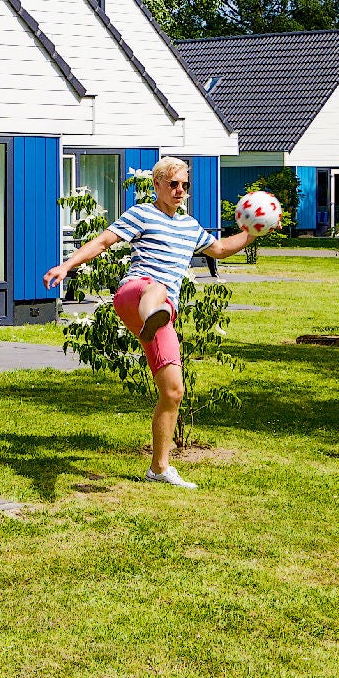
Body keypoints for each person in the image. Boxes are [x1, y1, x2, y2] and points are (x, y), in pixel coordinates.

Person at [43, 157, 256, 490]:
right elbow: (102, 242)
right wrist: (65, 266)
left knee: (173, 391)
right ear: (157, 185)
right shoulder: (141, 214)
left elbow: (221, 249)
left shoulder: (190, 226)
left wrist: (253, 232)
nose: (180, 190)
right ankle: (149, 315)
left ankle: (159, 467)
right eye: (173, 184)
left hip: (162, 313)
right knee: (157, 287)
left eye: (185, 184)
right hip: (133, 294)